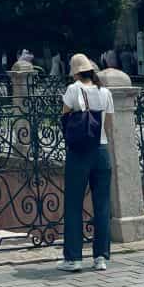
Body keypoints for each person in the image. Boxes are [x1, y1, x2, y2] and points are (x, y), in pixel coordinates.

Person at [59, 52, 114, 274]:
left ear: (75, 72)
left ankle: (74, 258)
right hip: (102, 151)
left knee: (73, 204)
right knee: (102, 205)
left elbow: (64, 117)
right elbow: (108, 124)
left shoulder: (73, 90)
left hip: (79, 152)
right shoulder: (105, 92)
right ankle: (100, 257)